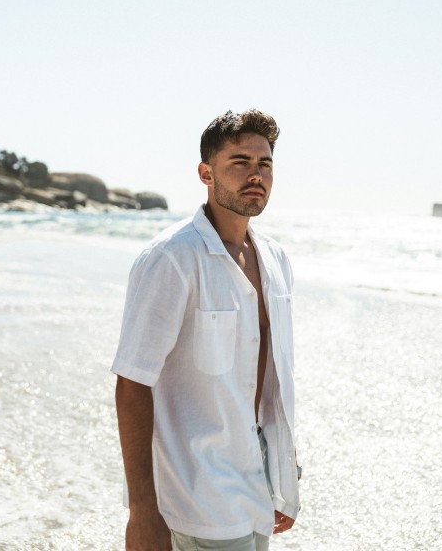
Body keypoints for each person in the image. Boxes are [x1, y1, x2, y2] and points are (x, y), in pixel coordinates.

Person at [112, 109, 300, 551]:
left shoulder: (275, 261)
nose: (256, 174)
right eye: (239, 162)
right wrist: (142, 514)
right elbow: (132, 383)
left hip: (255, 488)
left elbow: (270, 386)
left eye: (265, 164)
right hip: (194, 498)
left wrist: (284, 475)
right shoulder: (172, 258)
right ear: (206, 172)